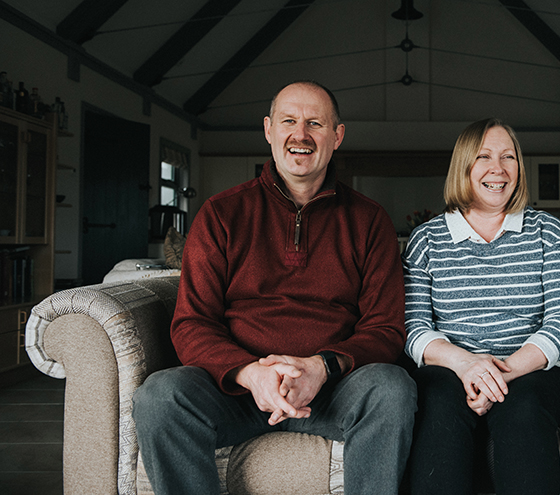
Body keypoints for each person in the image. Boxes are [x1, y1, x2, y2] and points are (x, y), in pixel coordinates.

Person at [132, 80, 416, 495]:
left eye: (315, 123)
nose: (301, 135)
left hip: (334, 390)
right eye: (288, 121)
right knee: (159, 396)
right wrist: (251, 374)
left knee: (392, 387)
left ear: (337, 136)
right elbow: (192, 322)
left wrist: (321, 367)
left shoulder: (369, 220)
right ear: (268, 129)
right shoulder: (221, 214)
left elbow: (386, 328)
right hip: (236, 392)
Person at [403, 118, 560, 494]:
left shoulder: (548, 231)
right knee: (438, 402)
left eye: (508, 157)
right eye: (483, 156)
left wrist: (501, 375)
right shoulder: (426, 240)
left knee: (523, 407)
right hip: (451, 371)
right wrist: (466, 366)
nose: (497, 168)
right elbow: (413, 327)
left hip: (533, 372)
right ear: (463, 166)